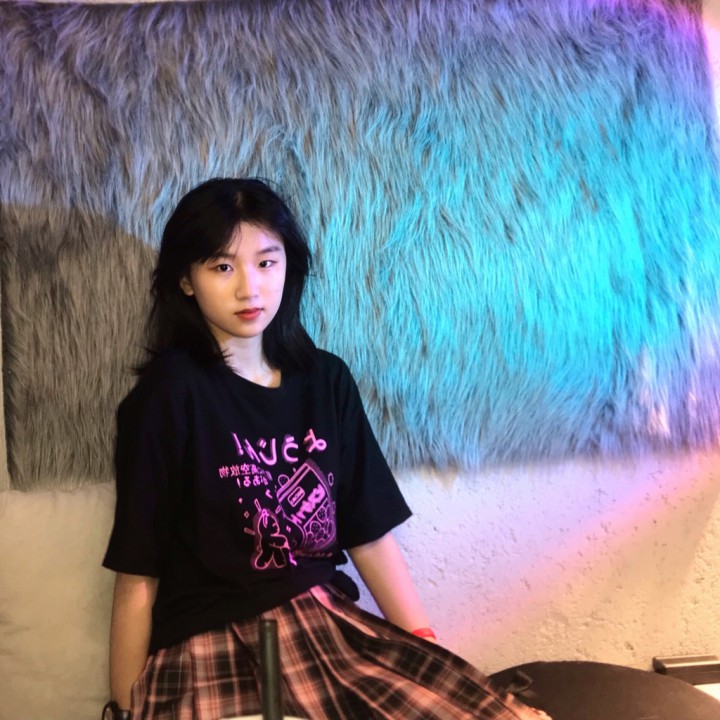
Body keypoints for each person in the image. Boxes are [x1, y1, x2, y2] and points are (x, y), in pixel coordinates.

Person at [102, 177, 550, 720]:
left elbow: (368, 535)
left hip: (328, 630)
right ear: (185, 281)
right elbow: (137, 574)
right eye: (222, 267)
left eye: (266, 262)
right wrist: (122, 709)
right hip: (207, 645)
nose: (249, 288)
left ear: (288, 267)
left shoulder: (326, 380)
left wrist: (422, 647)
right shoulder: (167, 396)